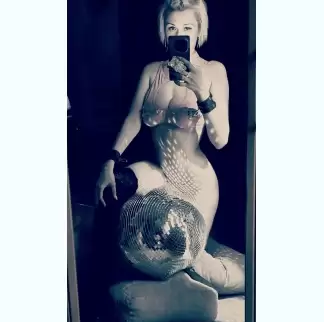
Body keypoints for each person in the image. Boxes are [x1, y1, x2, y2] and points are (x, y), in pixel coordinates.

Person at [95, 0, 243, 296]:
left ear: (199, 30)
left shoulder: (213, 71)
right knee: (116, 188)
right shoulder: (152, 72)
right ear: (164, 31)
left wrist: (202, 93)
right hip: (160, 175)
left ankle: (245, 273)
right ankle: (99, 290)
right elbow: (134, 118)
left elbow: (221, 139)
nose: (180, 34)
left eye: (187, 28)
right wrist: (109, 161)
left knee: (184, 257)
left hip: (196, 183)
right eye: (172, 28)